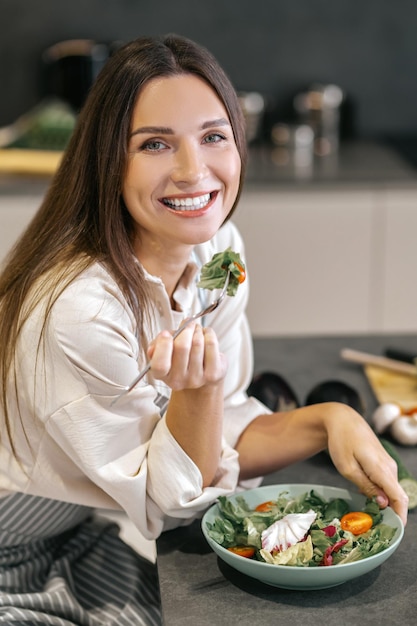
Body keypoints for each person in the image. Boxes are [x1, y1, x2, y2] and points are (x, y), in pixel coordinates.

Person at [0, 33, 408, 625]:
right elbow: (168, 505)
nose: (194, 172)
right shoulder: (80, 310)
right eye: (156, 144)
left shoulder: (219, 250)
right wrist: (198, 394)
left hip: (77, 526)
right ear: (108, 161)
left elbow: (221, 432)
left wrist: (330, 419)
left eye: (214, 136)